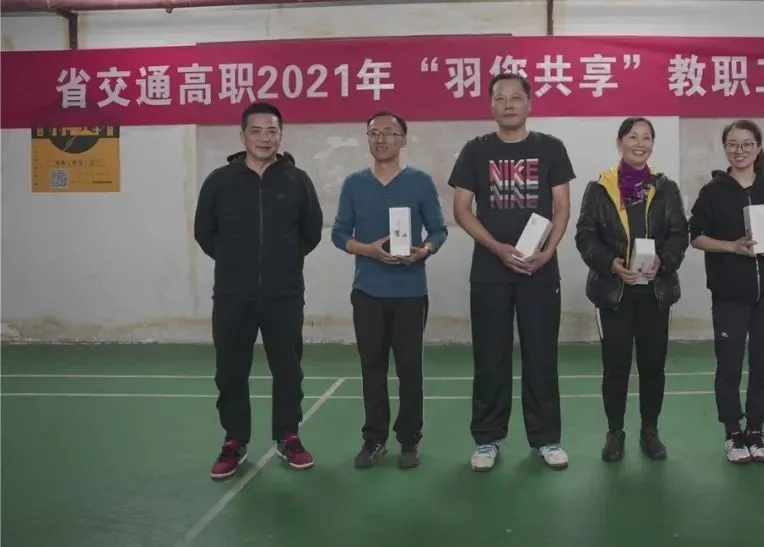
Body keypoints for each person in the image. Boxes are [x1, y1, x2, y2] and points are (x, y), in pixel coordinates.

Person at [448, 73, 576, 472]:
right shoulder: (475, 151)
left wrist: (548, 252)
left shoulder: (551, 148)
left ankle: (546, 438)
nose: (508, 104)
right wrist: (496, 248)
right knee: (490, 359)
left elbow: (562, 206)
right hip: (490, 273)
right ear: (491, 105)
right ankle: (487, 440)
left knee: (542, 357)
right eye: (500, 98)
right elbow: (462, 209)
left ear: (529, 104)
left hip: (540, 272)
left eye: (516, 98)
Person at [193, 101, 324, 480]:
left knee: (288, 370)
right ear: (242, 136)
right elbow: (204, 232)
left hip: (284, 295)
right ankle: (234, 440)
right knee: (231, 372)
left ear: (280, 135)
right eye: (256, 131)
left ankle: (288, 436)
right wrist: (236, 263)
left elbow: (311, 232)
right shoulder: (220, 181)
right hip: (233, 295)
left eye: (272, 131)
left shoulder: (297, 181)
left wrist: (282, 263)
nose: (264, 138)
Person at [330, 111, 448, 470]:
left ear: (403, 140)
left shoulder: (420, 182)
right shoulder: (354, 184)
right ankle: (375, 439)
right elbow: (339, 234)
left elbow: (438, 231)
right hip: (367, 291)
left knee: (410, 369)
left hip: (410, 293)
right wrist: (367, 250)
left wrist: (423, 250)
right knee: (372, 368)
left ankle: (409, 440)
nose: (380, 139)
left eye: (388, 133)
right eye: (373, 133)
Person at [574, 117, 688, 463]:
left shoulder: (665, 188)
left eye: (646, 138)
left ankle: (650, 431)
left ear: (652, 144)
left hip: (655, 292)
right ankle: (615, 431)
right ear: (620, 142)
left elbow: (678, 234)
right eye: (632, 137)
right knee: (616, 367)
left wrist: (663, 263)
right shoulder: (599, 188)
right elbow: (585, 236)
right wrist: (610, 264)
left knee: (653, 366)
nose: (640, 143)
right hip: (614, 293)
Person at [688, 119, 764, 464]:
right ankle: (733, 433)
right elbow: (696, 236)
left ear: (758, 148)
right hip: (730, 293)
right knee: (729, 364)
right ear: (725, 149)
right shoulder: (713, 192)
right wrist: (731, 247)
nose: (740, 150)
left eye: (747, 144)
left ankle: (756, 430)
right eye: (733, 144)